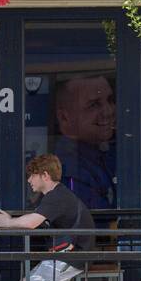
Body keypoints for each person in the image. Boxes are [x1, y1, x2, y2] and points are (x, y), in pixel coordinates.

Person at [52, 74, 116, 209]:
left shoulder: (103, 153)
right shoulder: (71, 168)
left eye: (110, 100)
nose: (108, 111)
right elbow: (96, 227)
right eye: (94, 105)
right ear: (64, 117)